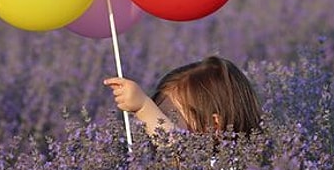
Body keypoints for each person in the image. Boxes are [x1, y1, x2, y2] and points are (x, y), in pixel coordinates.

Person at [104, 56, 262, 146]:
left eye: (168, 117)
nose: (155, 123)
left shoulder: (224, 169)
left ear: (215, 126)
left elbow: (179, 151)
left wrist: (144, 108)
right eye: (158, 112)